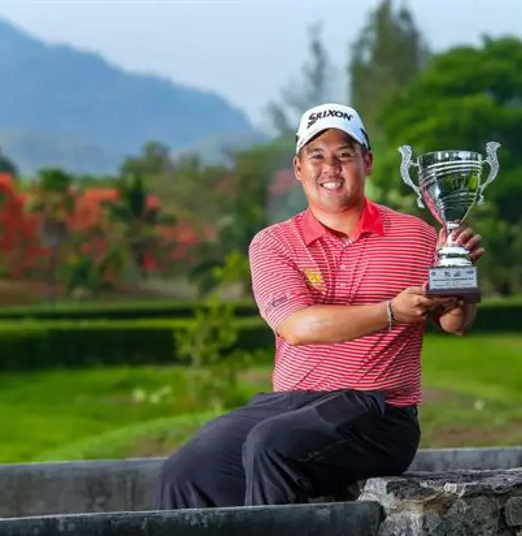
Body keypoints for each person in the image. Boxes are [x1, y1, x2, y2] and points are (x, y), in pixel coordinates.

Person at [154, 102, 485, 509]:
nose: (331, 168)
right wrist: (391, 312)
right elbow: (296, 326)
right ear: (298, 168)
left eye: (344, 154)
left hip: (380, 411)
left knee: (272, 445)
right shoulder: (274, 243)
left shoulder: (415, 236)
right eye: (317, 156)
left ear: (367, 162)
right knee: (186, 471)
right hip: (290, 403)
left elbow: (455, 323)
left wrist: (460, 273)